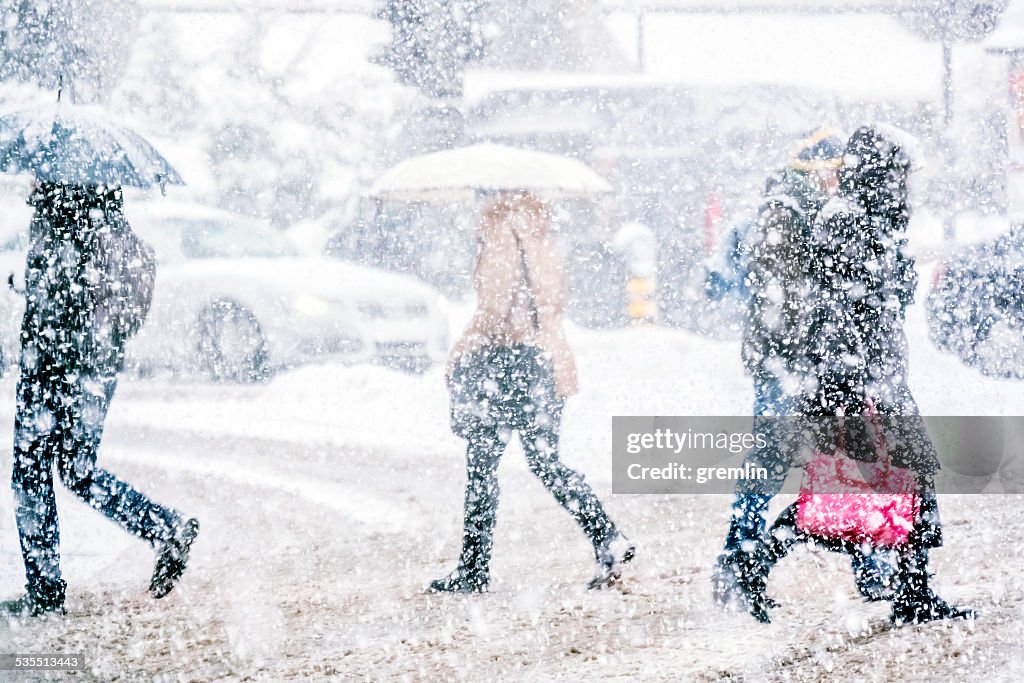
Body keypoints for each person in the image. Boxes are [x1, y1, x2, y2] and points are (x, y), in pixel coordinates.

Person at [754, 125, 974, 626]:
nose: (905, 187)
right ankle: (755, 560)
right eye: (898, 175)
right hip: (856, 382)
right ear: (879, 174)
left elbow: (881, 300)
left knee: (900, 483)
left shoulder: (869, 220)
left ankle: (912, 593)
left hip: (874, 378)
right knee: (853, 490)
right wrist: (858, 388)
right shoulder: (846, 223)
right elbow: (842, 313)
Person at [712, 128, 896, 614]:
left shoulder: (817, 213)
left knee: (851, 460)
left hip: (811, 364)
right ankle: (738, 557)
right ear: (812, 170)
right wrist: (808, 350)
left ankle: (870, 565)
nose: (840, 179)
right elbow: (782, 299)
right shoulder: (785, 212)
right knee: (773, 461)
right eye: (834, 170)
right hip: (788, 365)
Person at [2, 182, 199, 618]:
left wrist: (32, 279)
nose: (31, 183)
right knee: (77, 469)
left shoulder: (61, 214)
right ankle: (165, 527)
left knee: (30, 473)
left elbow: (62, 288)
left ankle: (46, 592)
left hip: (56, 361)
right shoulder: (109, 217)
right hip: (96, 363)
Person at [431, 192, 633, 593]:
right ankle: (607, 536)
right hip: (546, 359)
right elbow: (551, 302)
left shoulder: (500, 232)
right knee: (546, 462)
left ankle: (473, 569)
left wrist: (462, 346)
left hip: (506, 363)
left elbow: (495, 307)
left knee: (482, 467)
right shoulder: (541, 234)